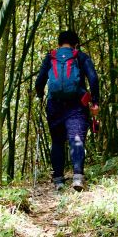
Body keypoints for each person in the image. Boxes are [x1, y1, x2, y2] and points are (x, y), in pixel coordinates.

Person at [35, 30, 100, 192]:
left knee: (57, 142)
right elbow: (93, 78)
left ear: (59, 43)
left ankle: (58, 180)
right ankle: (77, 177)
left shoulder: (51, 57)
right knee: (76, 138)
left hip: (54, 105)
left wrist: (39, 95)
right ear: (75, 43)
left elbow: (39, 81)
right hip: (76, 105)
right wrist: (95, 101)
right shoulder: (80, 56)